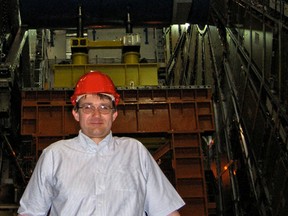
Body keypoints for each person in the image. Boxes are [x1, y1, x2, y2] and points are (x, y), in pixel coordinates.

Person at [17, 71, 185, 216]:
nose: (96, 115)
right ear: (76, 113)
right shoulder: (54, 156)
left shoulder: (135, 152)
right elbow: (31, 212)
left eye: (104, 107)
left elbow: (166, 211)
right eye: (87, 107)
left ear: (114, 114)